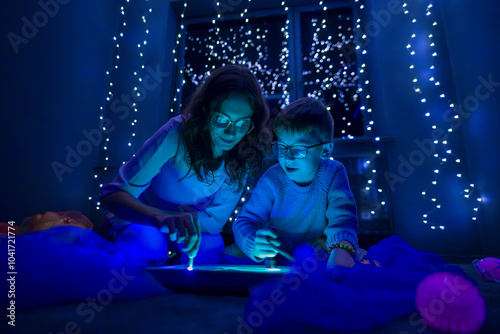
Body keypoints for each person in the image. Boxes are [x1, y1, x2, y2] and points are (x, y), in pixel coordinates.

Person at [99, 65, 270, 265]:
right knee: (150, 246)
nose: (231, 133)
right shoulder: (176, 134)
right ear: (206, 111)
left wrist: (177, 223)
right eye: (222, 120)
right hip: (142, 221)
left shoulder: (243, 153)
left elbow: (214, 223)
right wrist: (160, 219)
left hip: (188, 231)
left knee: (210, 249)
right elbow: (112, 196)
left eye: (242, 124)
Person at [232, 97, 360, 269]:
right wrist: (253, 243)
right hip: (277, 253)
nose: (287, 157)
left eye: (298, 150)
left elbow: (342, 217)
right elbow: (244, 221)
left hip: (320, 252)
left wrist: (341, 248)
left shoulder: (333, 172)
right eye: (282, 148)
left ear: (325, 150)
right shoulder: (272, 179)